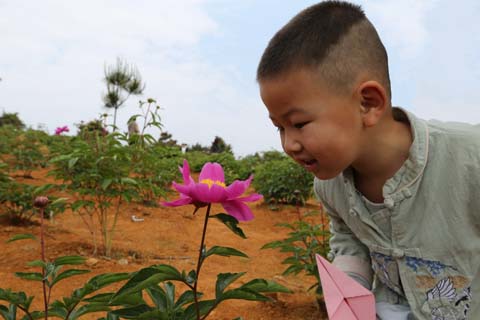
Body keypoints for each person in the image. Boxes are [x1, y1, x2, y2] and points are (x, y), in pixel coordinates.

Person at [256, 1, 480, 319]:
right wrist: (349, 289)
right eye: (279, 127)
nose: (288, 144)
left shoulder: (469, 159)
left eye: (299, 124)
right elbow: (348, 237)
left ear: (367, 103)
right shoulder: (329, 186)